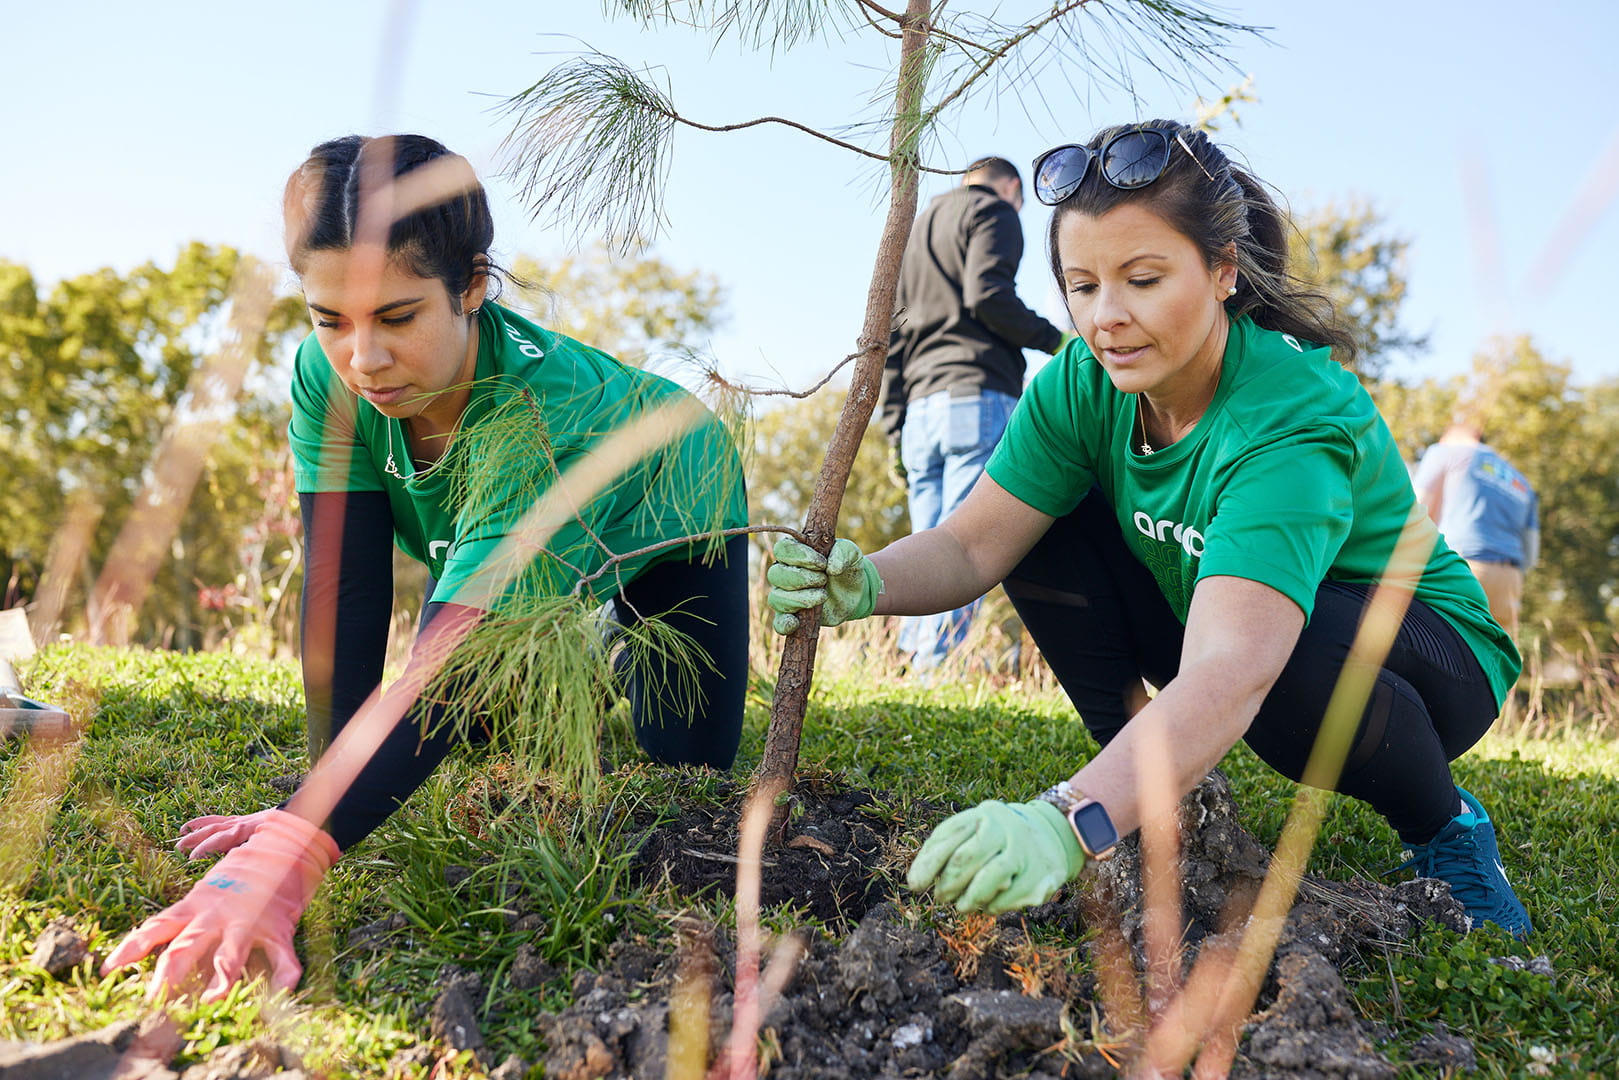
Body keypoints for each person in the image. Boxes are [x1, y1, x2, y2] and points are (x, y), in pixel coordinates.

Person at [769, 120, 1531, 937]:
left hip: (1431, 656)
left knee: (1283, 670)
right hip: (1238, 627)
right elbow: (971, 543)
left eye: (1141, 278)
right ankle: (1150, 780)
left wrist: (1070, 819)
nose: (1106, 318)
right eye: (1082, 285)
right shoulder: (1081, 383)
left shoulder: (1291, 419)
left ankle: (1445, 829)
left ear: (1222, 273)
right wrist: (867, 581)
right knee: (1045, 526)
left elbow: (1234, 664)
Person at [102, 134, 750, 1000]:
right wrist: (318, 798)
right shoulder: (324, 376)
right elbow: (348, 588)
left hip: (677, 501)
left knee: (686, 771)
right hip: (503, 561)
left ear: (473, 285)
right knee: (466, 732)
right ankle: (550, 630)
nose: (361, 359)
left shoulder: (541, 414)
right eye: (330, 319)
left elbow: (448, 656)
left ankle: (578, 633)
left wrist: (293, 853)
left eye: (397, 317)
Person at [880, 156, 1065, 671]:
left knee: (924, 542)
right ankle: (932, 670)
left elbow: (891, 335)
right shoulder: (995, 212)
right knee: (963, 545)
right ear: (1011, 188)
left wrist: (894, 425)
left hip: (919, 408)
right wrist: (1055, 340)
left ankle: (910, 660)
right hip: (974, 393)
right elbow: (987, 294)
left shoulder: (917, 228)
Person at [1413, 419, 1539, 637]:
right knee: (1496, 656)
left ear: (1452, 434)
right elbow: (1532, 553)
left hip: (1461, 565)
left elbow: (1416, 511)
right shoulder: (1521, 482)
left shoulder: (1446, 452)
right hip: (1510, 579)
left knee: (1441, 645)